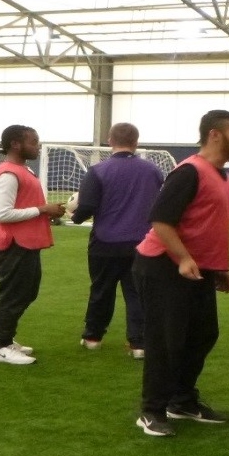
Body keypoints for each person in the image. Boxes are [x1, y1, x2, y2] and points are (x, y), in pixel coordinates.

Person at [132, 110, 229, 437]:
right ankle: (151, 410)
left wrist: (219, 269)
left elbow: (209, 227)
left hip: (196, 270)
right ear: (215, 134)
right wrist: (182, 258)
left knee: (202, 335)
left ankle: (181, 400)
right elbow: (161, 221)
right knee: (165, 341)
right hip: (162, 265)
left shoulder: (223, 175)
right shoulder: (189, 172)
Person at [71, 122, 164, 359]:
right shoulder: (153, 171)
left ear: (109, 141)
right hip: (142, 244)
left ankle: (93, 337)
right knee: (137, 294)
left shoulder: (98, 171)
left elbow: (88, 205)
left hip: (105, 242)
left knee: (102, 290)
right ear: (136, 141)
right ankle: (139, 344)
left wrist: (74, 216)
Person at [0, 124, 67, 365]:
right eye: (33, 141)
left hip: (25, 243)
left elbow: (21, 207)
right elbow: (2, 214)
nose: (38, 146)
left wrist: (46, 213)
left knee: (24, 292)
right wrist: (42, 209)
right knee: (14, 296)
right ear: (16, 144)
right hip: (14, 245)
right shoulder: (9, 173)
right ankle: (3, 347)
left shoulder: (21, 170)